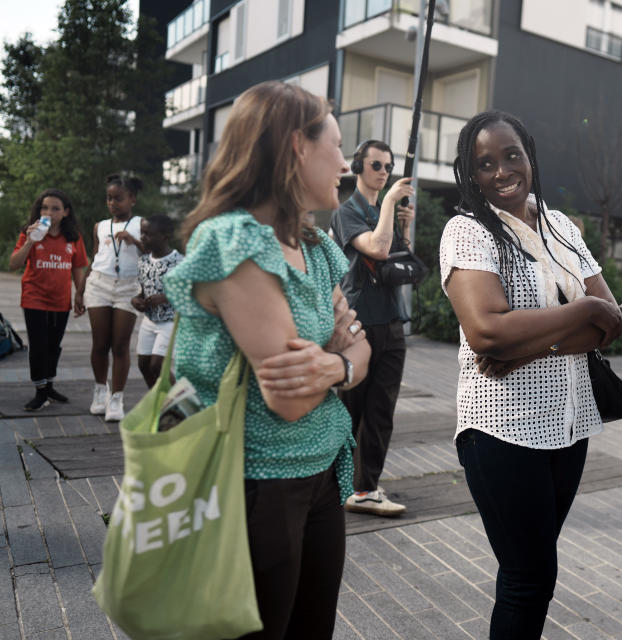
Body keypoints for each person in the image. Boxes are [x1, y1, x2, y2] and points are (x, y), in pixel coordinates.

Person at [164, 81, 370, 640]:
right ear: (296, 148)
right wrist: (342, 356)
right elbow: (288, 399)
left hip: (322, 477)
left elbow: (360, 345)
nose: (346, 163)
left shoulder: (316, 245)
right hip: (256, 487)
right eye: (337, 144)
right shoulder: (235, 242)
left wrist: (335, 363)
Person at [439, 110, 622, 638]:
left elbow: (609, 321)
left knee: (534, 573)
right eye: (485, 163)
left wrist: (528, 346)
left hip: (569, 427)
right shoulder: (468, 231)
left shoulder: (561, 225)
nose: (501, 171)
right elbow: (488, 333)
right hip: (501, 428)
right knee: (528, 577)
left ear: (530, 157)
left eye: (511, 155)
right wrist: (580, 312)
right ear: (470, 175)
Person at [330, 140, 415, 517]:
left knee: (382, 410)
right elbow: (376, 249)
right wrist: (390, 205)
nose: (383, 172)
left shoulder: (386, 213)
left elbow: (398, 261)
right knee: (352, 409)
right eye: (376, 165)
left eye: (388, 166)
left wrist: (405, 231)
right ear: (358, 168)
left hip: (392, 321)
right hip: (360, 321)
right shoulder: (347, 212)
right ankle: (339, 482)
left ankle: (365, 488)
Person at [9, 189, 88, 410]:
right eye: (45, 208)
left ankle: (49, 385)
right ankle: (40, 391)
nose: (49, 212)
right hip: (34, 298)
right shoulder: (30, 232)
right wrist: (30, 242)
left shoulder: (73, 237)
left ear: (65, 213)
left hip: (61, 301)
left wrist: (80, 296)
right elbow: (14, 264)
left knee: (54, 345)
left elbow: (77, 268)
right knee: (38, 346)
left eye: (55, 209)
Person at [77, 173, 145, 421]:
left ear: (132, 199)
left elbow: (154, 252)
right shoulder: (100, 226)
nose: (113, 203)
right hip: (99, 284)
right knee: (100, 343)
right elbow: (95, 259)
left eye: (118, 198)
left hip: (129, 287)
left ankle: (117, 398)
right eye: (109, 199)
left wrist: (135, 241)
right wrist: (80, 290)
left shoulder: (141, 224)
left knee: (120, 345)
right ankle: (99, 391)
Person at [131, 214, 182, 388]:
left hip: (170, 321)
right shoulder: (143, 261)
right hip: (149, 320)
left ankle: (179, 404)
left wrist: (166, 297)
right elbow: (142, 291)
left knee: (157, 365)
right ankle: (157, 402)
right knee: (143, 365)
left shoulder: (179, 262)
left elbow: (190, 293)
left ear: (165, 237)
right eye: (142, 233)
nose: (143, 237)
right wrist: (137, 300)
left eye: (148, 234)